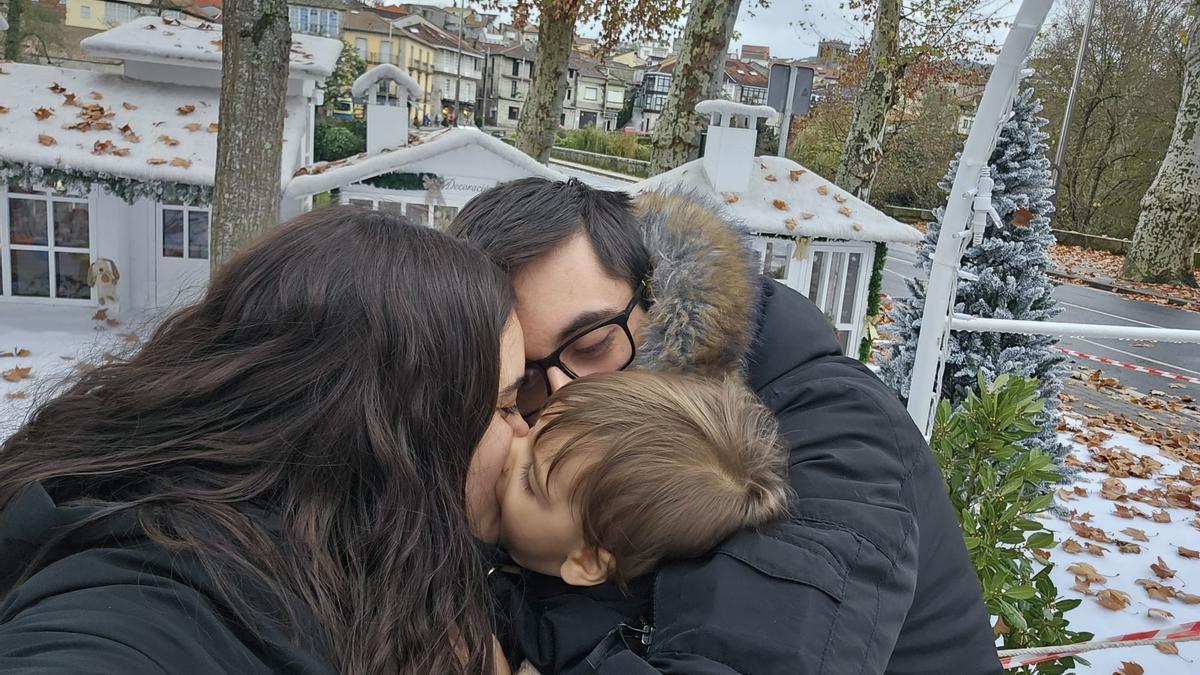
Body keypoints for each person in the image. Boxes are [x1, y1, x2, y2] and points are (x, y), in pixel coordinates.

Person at [450, 179, 1000, 674]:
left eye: (594, 344)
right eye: (521, 380)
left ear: (660, 292)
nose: (568, 396)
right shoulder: (529, 439)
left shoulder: (826, 435)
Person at [0, 207, 529, 674]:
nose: (526, 430)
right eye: (506, 405)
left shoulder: (364, 572)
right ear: (395, 433)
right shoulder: (169, 594)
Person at [492, 371, 792, 671]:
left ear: (587, 563)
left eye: (529, 481)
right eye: (533, 429)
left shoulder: (562, 640)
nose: (510, 449)